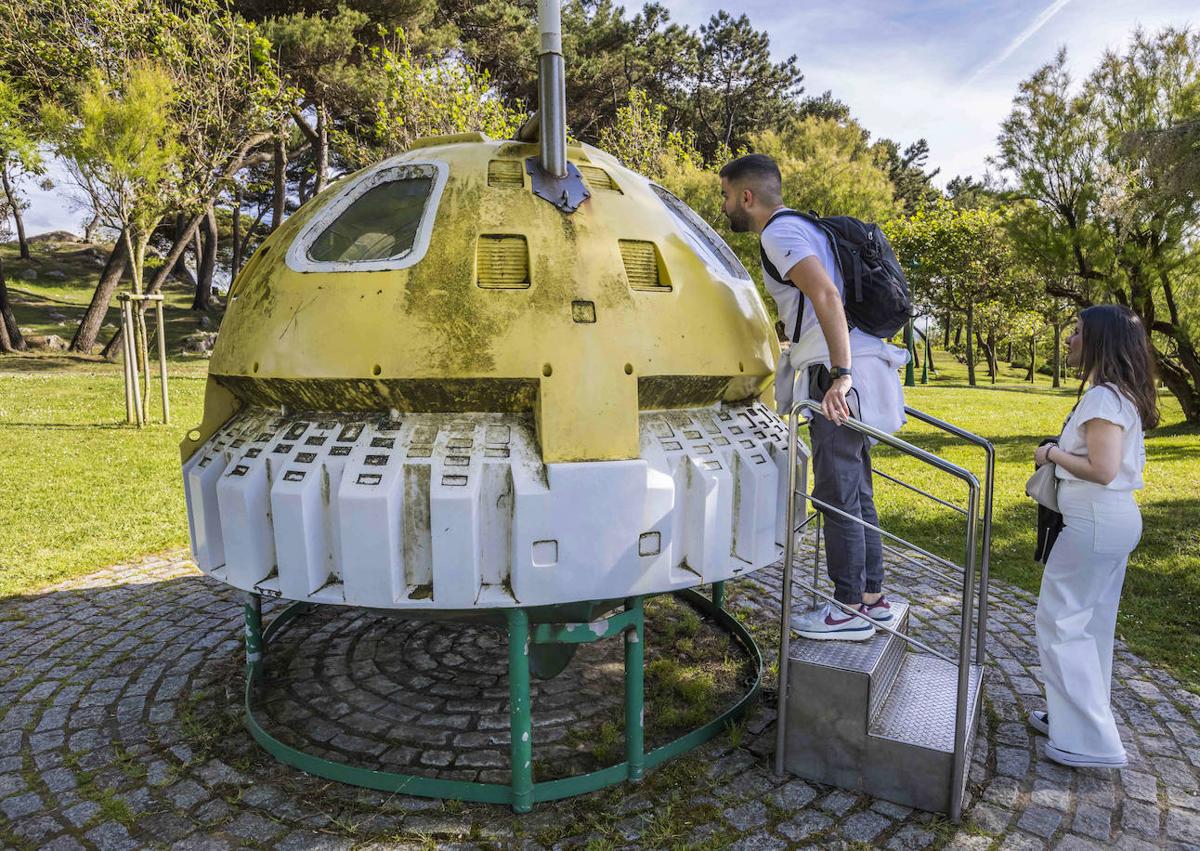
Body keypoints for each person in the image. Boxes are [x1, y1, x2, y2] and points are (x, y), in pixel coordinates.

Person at [719, 153, 906, 641]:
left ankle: (848, 608)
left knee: (837, 493)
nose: (724, 207)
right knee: (857, 491)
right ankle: (872, 598)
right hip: (856, 365)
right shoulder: (807, 228)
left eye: (724, 197)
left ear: (746, 196)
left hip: (838, 374)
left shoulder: (778, 234)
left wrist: (840, 374)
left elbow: (825, 295)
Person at [1030, 304, 1157, 769]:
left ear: (1099, 340)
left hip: (1095, 520)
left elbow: (1102, 470)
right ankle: (1074, 719)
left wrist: (1051, 454)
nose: (1069, 339)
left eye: (1078, 332)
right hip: (1110, 521)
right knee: (1091, 626)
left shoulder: (1104, 398)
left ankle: (1089, 741)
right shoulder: (1121, 394)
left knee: (1060, 621)